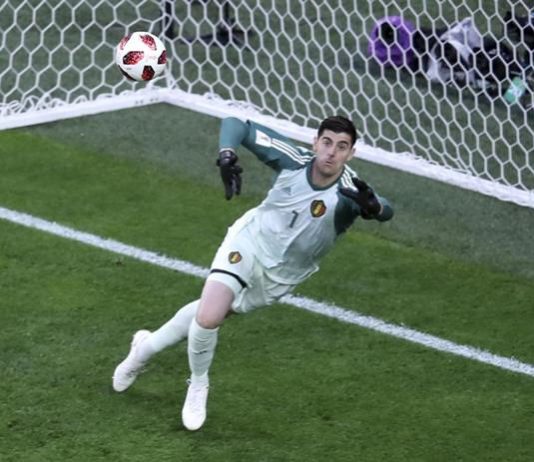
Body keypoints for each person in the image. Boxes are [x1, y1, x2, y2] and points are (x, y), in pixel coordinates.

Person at [112, 115, 394, 431]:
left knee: (210, 311)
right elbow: (237, 125)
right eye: (326, 142)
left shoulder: (350, 193)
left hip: (282, 276)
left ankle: (142, 350)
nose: (331, 152)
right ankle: (198, 384)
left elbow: (385, 209)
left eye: (342, 147)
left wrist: (374, 208)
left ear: (351, 154)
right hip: (249, 242)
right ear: (315, 142)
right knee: (209, 317)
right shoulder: (292, 160)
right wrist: (227, 154)